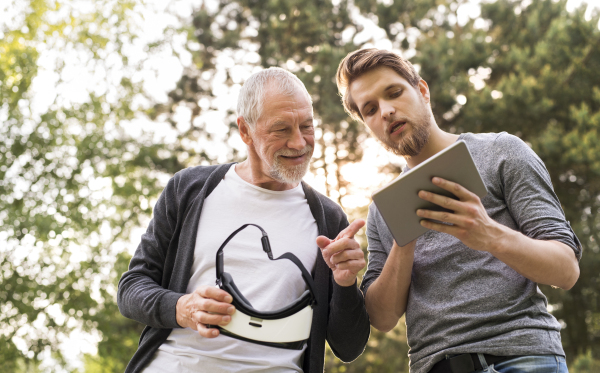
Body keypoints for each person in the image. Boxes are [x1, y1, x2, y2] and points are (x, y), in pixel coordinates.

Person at [332, 48, 582, 373]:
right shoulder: (382, 210)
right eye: (370, 109)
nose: (387, 111)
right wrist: (404, 241)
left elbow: (566, 270)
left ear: (422, 91)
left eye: (394, 93)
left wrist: (490, 235)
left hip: (524, 359)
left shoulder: (501, 153)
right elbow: (382, 318)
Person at [117, 67, 370, 373]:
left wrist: (345, 284)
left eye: (306, 126)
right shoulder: (189, 190)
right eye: (281, 129)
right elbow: (131, 288)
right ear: (245, 130)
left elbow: (349, 346)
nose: (299, 143)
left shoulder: (328, 218)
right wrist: (181, 308)